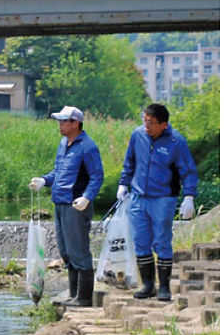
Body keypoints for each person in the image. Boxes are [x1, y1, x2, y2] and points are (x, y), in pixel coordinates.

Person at [117, 103, 198, 302]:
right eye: (145, 121)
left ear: (163, 124)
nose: (147, 126)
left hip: (163, 198)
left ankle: (164, 286)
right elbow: (130, 162)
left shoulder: (176, 141)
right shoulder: (138, 136)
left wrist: (189, 196)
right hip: (138, 197)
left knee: (162, 240)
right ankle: (147, 284)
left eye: (151, 123)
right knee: (140, 240)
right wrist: (123, 184)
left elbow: (187, 171)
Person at [29, 106, 104, 307]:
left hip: (75, 204)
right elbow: (58, 171)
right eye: (59, 121)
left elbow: (97, 176)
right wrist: (44, 180)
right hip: (60, 202)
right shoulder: (63, 143)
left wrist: (87, 198)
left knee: (79, 250)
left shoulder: (88, 146)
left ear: (76, 123)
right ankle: (73, 294)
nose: (60, 125)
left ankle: (84, 298)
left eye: (64, 121)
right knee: (66, 251)